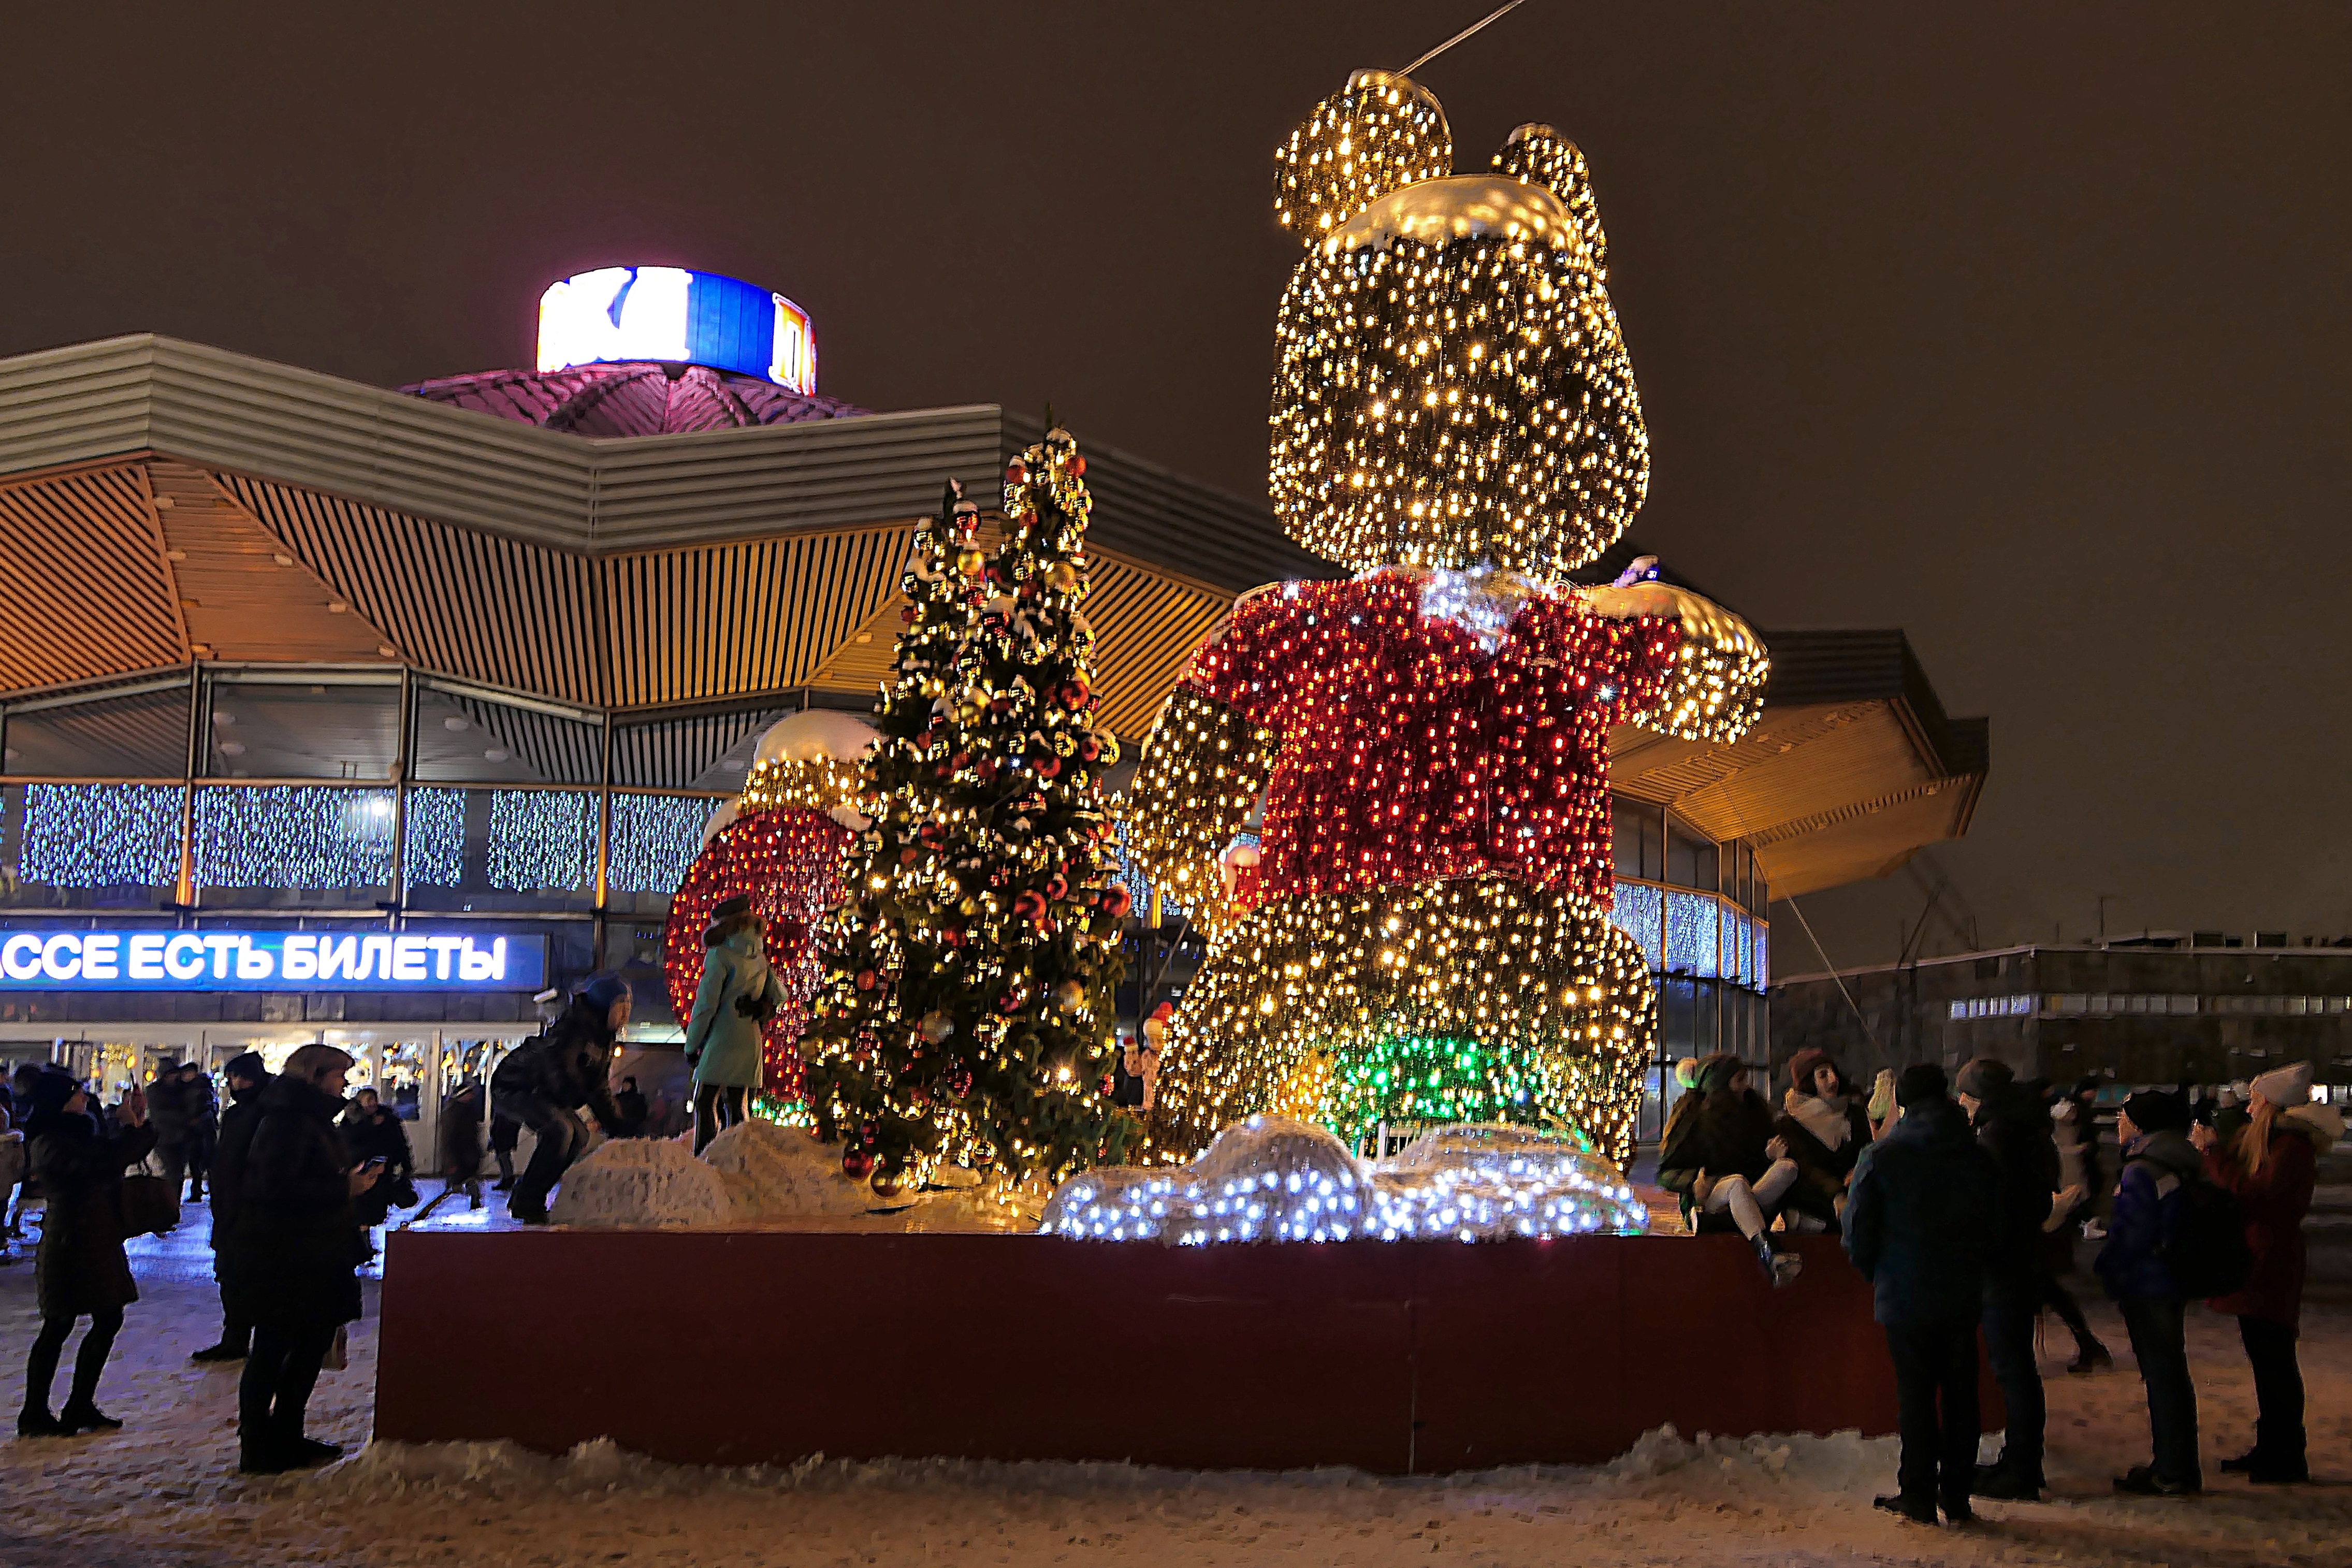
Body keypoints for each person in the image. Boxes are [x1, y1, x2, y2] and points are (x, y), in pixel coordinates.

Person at [1843, 1062, 2000, 1526]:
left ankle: (1916, 1494)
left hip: (1904, 1290)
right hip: (1962, 1291)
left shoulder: (1884, 1154)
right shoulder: (1975, 1155)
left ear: (1903, 1103)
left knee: (1915, 1395)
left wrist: (1874, 1270)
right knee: (1960, 1394)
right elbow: (1995, 1223)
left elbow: (1858, 1229)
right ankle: (1957, 1496)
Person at [229, 1043, 378, 1473]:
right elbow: (275, 1188)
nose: (345, 1084)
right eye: (338, 1075)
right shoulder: (287, 1122)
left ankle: (286, 1433)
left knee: (311, 1342)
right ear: (314, 1076)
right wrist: (344, 1189)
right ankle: (258, 1444)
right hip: (287, 1253)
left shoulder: (308, 1119)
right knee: (274, 1347)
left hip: (313, 1249)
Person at [2197, 1061, 2340, 1485]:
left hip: (2270, 1261)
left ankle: (2285, 1455)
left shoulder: (2290, 1148)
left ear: (2273, 1105)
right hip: (2264, 1256)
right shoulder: (2280, 1144)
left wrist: (2212, 1153)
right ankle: (2273, 1448)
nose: (2249, 1108)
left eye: (2257, 1100)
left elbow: (2254, 1196)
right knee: (2267, 1358)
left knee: (2274, 1359)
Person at [17, 1069, 157, 1436]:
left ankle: (79, 1403)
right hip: (71, 1237)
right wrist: (131, 1131)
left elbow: (108, 1155)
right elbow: (100, 1163)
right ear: (60, 1100)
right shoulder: (49, 1139)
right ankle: (35, 1411)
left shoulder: (77, 1132)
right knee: (59, 1323)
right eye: (77, 1092)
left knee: (108, 1316)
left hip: (94, 1233)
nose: (84, 1098)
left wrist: (137, 1123)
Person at [1952, 1058, 2057, 1500]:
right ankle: (2021, 1461)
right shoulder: (2028, 1129)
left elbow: (1992, 1204)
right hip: (2021, 1258)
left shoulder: (1999, 1136)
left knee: (2013, 1368)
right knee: (2018, 1367)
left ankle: (2021, 1467)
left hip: (2003, 1265)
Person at [2096, 1087, 2204, 1496]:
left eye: (2124, 1117)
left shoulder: (2144, 1168)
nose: (2119, 1123)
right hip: (2172, 1275)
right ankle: (2176, 1464)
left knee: (2162, 1373)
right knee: (2170, 1372)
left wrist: (2108, 1268)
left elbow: (2134, 1232)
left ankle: (2173, 1469)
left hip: (2149, 1280)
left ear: (2141, 1123)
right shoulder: (2179, 1158)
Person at [490, 976, 629, 1222]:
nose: (625, 1015)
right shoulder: (573, 1029)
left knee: (580, 1135)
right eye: (621, 1008)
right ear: (604, 1007)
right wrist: (580, 1096)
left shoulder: (602, 1040)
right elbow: (560, 1070)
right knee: (560, 1130)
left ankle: (528, 1193)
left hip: (547, 1093)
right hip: (516, 1085)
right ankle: (527, 1201)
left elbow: (599, 1088)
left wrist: (620, 1126)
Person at [1657, 1053, 1802, 1284]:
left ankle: (1733, 1219)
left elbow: (1750, 1164)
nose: (1746, 1086)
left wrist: (1768, 1158)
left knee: (1787, 1168)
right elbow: (1666, 1173)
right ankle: (1769, 1251)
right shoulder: (1693, 1118)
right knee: (1736, 1184)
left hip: (1748, 1191)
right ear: (1721, 1084)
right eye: (1739, 1080)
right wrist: (1695, 1182)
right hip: (1710, 1196)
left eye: (1745, 1079)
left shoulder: (1755, 1113)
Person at [684, 897, 782, 1155]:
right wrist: (761, 1008)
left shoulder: (720, 955)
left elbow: (706, 1006)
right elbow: (778, 995)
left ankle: (705, 1157)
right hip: (750, 1040)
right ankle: (737, 1158)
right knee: (739, 1104)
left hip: (721, 1040)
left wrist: (692, 1044)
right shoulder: (759, 955)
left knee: (705, 1101)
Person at [192, 1051, 272, 1363]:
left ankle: (243, 1337)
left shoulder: (259, 1113)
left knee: (243, 1274)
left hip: (248, 1206)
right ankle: (236, 1335)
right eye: (233, 1078)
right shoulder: (240, 1112)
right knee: (232, 1274)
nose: (237, 1084)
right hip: (231, 1205)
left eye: (243, 1077)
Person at [2045, 1078, 2114, 1374]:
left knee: (2045, 1287)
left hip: (2043, 1216)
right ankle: (2088, 1343)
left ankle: (2088, 1344)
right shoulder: (2052, 1131)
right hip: (2053, 1209)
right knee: (2048, 1287)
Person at [1776, 1047, 1872, 1232]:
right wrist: (1836, 1194)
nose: (1833, 1079)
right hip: (1819, 1199)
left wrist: (1859, 1169)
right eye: (1823, 1075)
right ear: (1809, 1082)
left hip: (1856, 1189)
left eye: (1833, 1072)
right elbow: (1807, 1168)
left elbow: (1867, 1148)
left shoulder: (1854, 1114)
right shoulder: (1790, 1124)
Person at [341, 1090, 415, 1227]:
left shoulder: (387, 1118)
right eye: (368, 1100)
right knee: (363, 1208)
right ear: (360, 1102)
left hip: (384, 1171)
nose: (372, 1103)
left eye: (374, 1099)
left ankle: (369, 1232)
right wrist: (370, 1126)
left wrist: (405, 1164)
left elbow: (399, 1143)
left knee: (378, 1208)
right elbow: (350, 1143)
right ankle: (364, 1235)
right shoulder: (352, 1119)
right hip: (362, 1170)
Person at [144, 1056, 199, 1206]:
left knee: (177, 1174)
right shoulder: (155, 1091)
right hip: (165, 1138)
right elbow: (159, 1114)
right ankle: (168, 1206)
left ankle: (172, 1205)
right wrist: (184, 1119)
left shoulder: (181, 1089)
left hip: (181, 1138)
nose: (173, 1077)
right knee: (172, 1173)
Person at [440, 1080, 486, 1208]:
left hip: (469, 1152)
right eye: (469, 1094)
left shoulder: (467, 1110)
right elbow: (448, 1138)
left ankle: (475, 1200)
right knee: (463, 1179)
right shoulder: (454, 1113)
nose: (472, 1097)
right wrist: (450, 1161)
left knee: (470, 1178)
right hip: (459, 1153)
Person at [488, 1109, 521, 1190]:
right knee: (503, 1159)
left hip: (504, 1139)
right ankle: (506, 1179)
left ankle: (508, 1180)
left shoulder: (509, 1114)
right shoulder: (503, 1112)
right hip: (500, 1138)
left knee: (505, 1160)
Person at [611, 1076, 649, 1140]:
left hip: (634, 1128)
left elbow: (642, 1113)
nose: (625, 1086)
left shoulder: (638, 1099)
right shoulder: (618, 1098)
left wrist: (635, 1122)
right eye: (624, 1084)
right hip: (620, 1127)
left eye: (628, 1084)